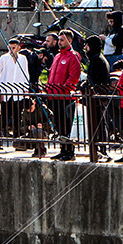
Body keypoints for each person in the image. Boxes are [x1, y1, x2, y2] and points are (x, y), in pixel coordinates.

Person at [44, 30, 82, 161]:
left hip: (65, 96)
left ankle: (69, 151)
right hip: (53, 95)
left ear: (69, 41)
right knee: (59, 125)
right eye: (59, 40)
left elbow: (74, 76)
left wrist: (65, 88)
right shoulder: (57, 56)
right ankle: (62, 149)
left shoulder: (73, 56)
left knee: (66, 125)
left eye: (62, 40)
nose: (59, 42)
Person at [0, 37, 33, 150]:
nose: (11, 50)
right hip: (6, 92)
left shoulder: (23, 59)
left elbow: (26, 74)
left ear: (19, 48)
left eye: (14, 48)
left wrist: (25, 90)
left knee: (17, 117)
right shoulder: (4, 58)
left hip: (18, 92)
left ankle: (17, 141)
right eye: (9, 48)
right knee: (3, 117)